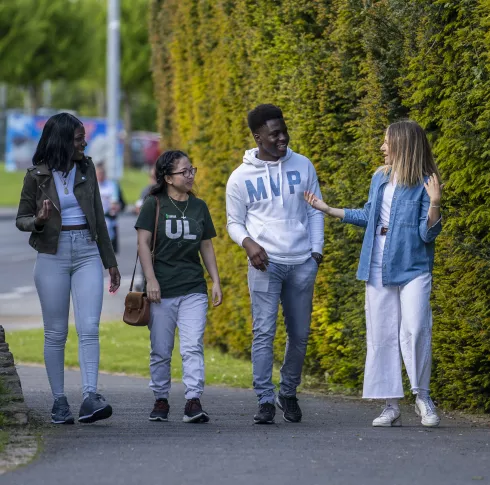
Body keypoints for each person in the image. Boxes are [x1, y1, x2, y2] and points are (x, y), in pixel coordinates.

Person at [305, 119, 443, 427]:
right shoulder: (379, 177)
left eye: (387, 142)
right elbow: (369, 215)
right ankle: (390, 405)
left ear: (403, 146)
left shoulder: (426, 181)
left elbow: (426, 234)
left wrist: (435, 204)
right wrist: (329, 210)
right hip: (377, 262)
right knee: (381, 333)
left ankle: (422, 397)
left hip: (413, 266)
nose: (382, 147)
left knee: (416, 328)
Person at [16, 113, 121, 425]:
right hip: (52, 253)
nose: (84, 143)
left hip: (87, 250)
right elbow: (21, 219)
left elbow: (99, 217)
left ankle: (90, 397)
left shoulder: (86, 167)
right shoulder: (36, 175)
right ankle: (59, 401)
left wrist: (110, 261)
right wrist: (38, 220)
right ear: (62, 140)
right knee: (56, 332)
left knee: (89, 328)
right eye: (78, 138)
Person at [226, 104, 324, 424]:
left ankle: (288, 392)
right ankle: (265, 398)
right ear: (258, 137)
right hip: (264, 264)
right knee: (263, 332)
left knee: (299, 334)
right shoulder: (240, 178)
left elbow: (314, 210)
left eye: (284, 130)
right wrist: (248, 242)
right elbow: (233, 223)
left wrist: (316, 252)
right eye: (275, 133)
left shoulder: (303, 165)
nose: (283, 137)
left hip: (301, 263)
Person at [135, 150, 222, 423]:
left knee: (192, 345)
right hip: (161, 290)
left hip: (193, 287)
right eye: (184, 172)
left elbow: (206, 245)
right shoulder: (154, 204)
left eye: (191, 170)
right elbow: (143, 244)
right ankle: (161, 399)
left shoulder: (199, 207)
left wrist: (215, 280)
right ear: (168, 178)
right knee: (161, 349)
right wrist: (151, 280)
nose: (190, 175)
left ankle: (193, 401)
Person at [95, 162, 122, 253]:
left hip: (108, 219)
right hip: (96, 219)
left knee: (108, 248)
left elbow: (114, 201)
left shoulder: (111, 185)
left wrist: (114, 206)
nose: (100, 176)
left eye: (101, 174)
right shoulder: (92, 185)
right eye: (98, 174)